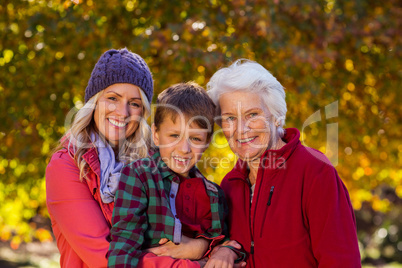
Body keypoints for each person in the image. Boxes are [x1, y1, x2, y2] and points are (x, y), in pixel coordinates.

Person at [206, 59, 361, 267]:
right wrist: (225, 248)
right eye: (230, 118)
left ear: (276, 116)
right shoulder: (229, 185)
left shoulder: (315, 171)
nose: (241, 129)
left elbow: (341, 261)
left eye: (252, 114)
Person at [108, 82, 245, 267]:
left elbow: (224, 243)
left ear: (207, 142)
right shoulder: (139, 176)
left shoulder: (214, 194)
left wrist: (220, 249)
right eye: (174, 136)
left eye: (195, 138)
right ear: (156, 134)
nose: (184, 149)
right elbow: (124, 245)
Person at [46, 48, 154, 267]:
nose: (123, 112)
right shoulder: (66, 165)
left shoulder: (152, 165)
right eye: (112, 98)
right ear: (94, 102)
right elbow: (107, 258)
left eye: (134, 103)